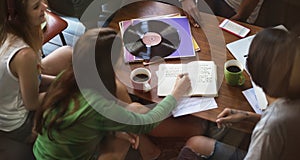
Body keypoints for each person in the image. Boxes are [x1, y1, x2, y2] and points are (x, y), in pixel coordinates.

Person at [33, 27, 207, 160]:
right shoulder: (97, 105)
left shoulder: (69, 77)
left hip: (43, 152)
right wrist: (177, 92)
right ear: (107, 66)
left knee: (132, 113)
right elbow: (147, 123)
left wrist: (117, 128)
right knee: (131, 126)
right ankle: (152, 152)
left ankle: (150, 151)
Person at [177, 28, 300, 160]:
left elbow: (276, 124)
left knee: (194, 144)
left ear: (254, 72)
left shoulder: (269, 128)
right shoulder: (288, 105)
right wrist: (247, 116)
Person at [0, 0, 72, 156]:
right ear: (17, 16)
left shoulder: (15, 30)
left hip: (17, 89)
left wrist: (59, 81)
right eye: (35, 7)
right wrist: (67, 87)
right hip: (21, 122)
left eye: (41, 1)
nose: (45, 8)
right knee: (78, 97)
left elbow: (36, 77)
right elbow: (31, 103)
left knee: (67, 53)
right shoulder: (24, 55)